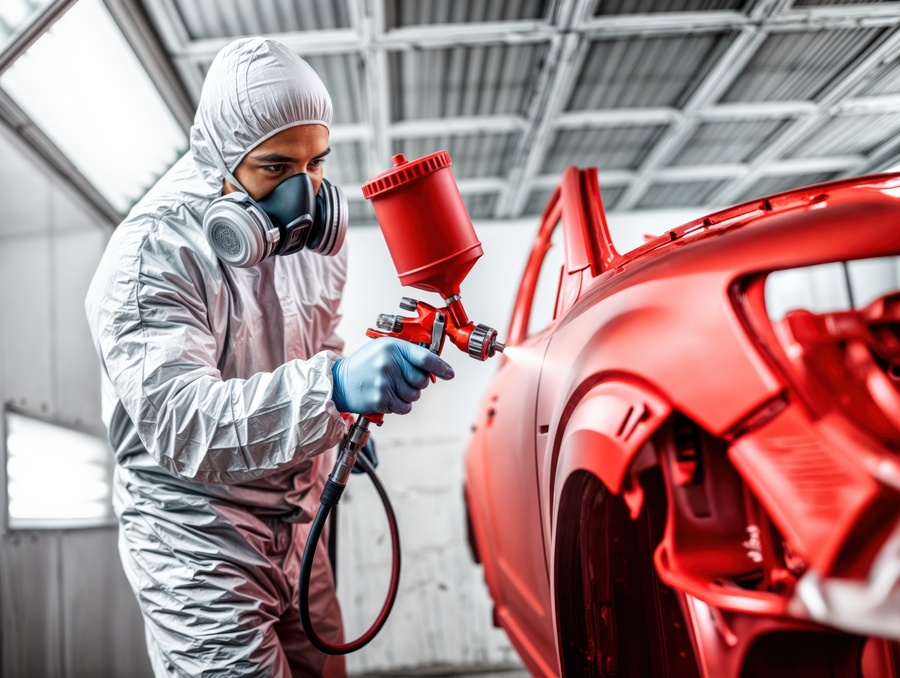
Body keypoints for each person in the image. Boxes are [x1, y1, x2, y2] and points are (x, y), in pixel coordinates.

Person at [84, 37, 453, 677]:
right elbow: (181, 423)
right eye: (276, 167)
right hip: (200, 546)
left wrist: (340, 423)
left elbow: (320, 342)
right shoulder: (152, 255)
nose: (303, 195)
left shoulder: (315, 244)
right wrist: (333, 391)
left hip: (299, 524)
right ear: (221, 157)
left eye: (316, 164)